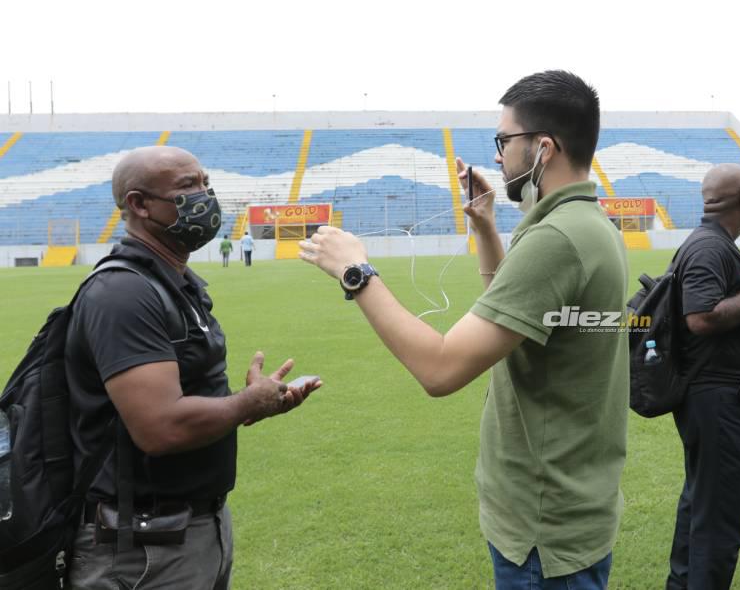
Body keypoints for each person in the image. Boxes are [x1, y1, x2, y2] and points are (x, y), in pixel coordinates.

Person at [299, 70, 629, 589]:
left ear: (544, 149)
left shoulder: (558, 239)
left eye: (504, 141)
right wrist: (485, 227)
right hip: (568, 507)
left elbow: (441, 368)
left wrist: (356, 274)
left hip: (544, 530)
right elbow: (515, 312)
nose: (497, 156)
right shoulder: (587, 224)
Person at [65, 146, 321, 589]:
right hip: (142, 549)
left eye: (205, 183)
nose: (205, 196)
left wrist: (252, 404)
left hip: (192, 529)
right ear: (139, 205)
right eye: (187, 187)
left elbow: (182, 399)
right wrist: (245, 403)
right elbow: (159, 427)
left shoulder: (174, 283)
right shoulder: (123, 293)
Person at [665, 163, 740, 590]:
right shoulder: (710, 248)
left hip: (718, 404)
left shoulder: (710, 245)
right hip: (722, 407)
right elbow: (701, 317)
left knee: (703, 509)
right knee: (719, 523)